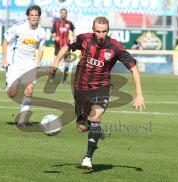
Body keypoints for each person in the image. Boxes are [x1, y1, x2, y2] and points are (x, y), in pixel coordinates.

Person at [49, 16, 145, 169]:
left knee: (95, 115)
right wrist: (56, 62)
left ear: (108, 31)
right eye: (98, 31)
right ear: (93, 30)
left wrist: (139, 94)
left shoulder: (115, 47)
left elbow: (133, 67)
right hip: (80, 86)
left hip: (102, 86)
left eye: (104, 31)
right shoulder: (84, 39)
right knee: (81, 127)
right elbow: (67, 46)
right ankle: (92, 128)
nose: (101, 35)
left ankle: (88, 158)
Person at [1, 5, 46, 126]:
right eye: (32, 15)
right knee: (12, 93)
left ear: (39, 17)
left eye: (36, 15)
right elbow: (5, 40)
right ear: (28, 16)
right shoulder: (19, 28)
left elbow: (41, 48)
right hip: (15, 64)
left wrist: (38, 61)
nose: (34, 17)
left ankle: (22, 120)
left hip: (30, 64)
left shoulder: (41, 32)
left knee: (30, 90)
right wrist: (4, 59)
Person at [51, 8, 75, 84]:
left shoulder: (69, 23)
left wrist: (74, 36)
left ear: (66, 14)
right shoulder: (56, 23)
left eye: (65, 13)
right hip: (58, 46)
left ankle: (64, 80)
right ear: (60, 14)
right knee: (55, 62)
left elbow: (73, 30)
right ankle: (52, 77)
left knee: (67, 63)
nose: (63, 14)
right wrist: (55, 37)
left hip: (67, 46)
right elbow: (52, 33)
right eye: (62, 13)